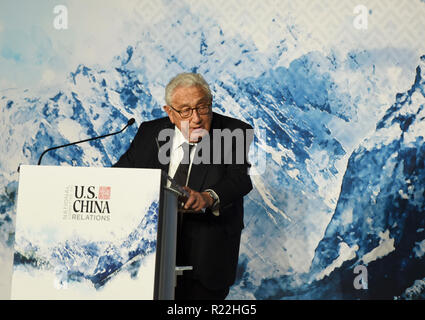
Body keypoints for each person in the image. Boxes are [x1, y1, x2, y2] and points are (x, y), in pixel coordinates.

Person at [114, 73, 253, 300]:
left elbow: (239, 179)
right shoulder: (150, 132)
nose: (196, 118)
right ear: (170, 113)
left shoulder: (232, 131)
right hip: (151, 258)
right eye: (186, 111)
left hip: (207, 257)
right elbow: (121, 175)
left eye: (202, 107)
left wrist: (208, 198)